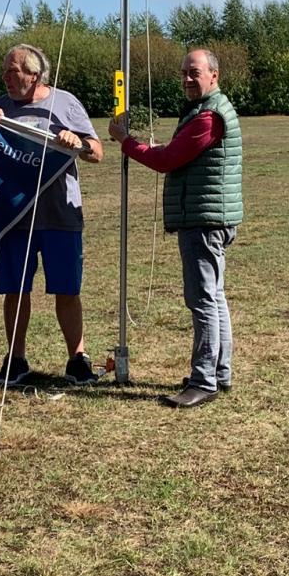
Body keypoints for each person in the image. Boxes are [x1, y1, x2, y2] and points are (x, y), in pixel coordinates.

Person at [109, 48, 243, 408]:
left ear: (213, 75)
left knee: (203, 299)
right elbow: (175, 152)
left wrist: (126, 142)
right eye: (183, 72)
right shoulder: (204, 111)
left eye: (194, 72)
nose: (186, 79)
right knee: (214, 296)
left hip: (204, 220)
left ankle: (205, 380)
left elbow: (168, 159)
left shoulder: (209, 116)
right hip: (207, 216)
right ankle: (219, 372)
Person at [0, 45, 103, 385]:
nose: (6, 78)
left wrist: (76, 141)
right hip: (14, 215)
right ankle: (16, 360)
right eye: (5, 72)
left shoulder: (65, 103)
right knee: (16, 289)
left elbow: (97, 152)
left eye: (13, 72)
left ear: (33, 76)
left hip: (59, 215)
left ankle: (77, 359)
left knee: (67, 288)